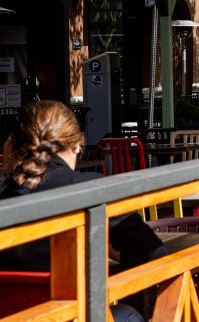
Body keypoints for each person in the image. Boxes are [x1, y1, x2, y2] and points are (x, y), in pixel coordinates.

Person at [0, 101, 165, 321]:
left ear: (14, 144)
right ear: (77, 145)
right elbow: (154, 254)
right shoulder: (91, 190)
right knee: (129, 315)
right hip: (72, 317)